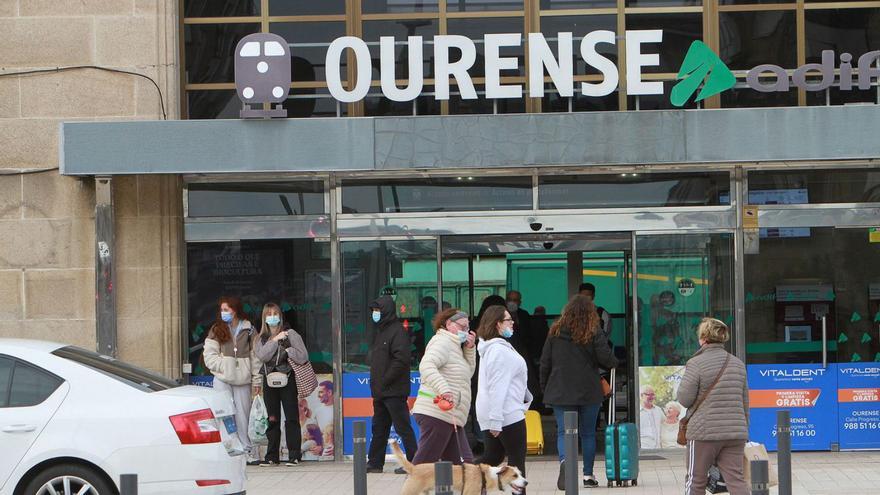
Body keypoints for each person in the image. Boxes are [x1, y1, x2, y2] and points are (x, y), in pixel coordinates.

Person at [540, 294, 618, 489]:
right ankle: (587, 475)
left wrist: (545, 388)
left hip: (560, 389)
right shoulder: (593, 331)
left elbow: (545, 362)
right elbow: (606, 359)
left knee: (563, 431)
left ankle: (566, 463)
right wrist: (616, 362)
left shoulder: (555, 331)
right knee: (588, 433)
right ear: (590, 312)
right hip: (588, 389)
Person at [676, 318, 749, 495]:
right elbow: (745, 401)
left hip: (704, 433)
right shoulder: (738, 363)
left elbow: (685, 399)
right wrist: (744, 429)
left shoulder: (696, 363)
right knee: (736, 480)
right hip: (735, 432)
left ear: (703, 338)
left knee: (696, 480)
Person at [476, 305, 532, 490]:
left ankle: (467, 481)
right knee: (516, 463)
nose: (512, 322)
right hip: (506, 414)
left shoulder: (491, 347)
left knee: (492, 457)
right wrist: (496, 420)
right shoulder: (498, 350)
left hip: (498, 412)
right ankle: (463, 478)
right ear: (498, 324)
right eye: (508, 319)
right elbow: (498, 387)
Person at [411, 309, 477, 465]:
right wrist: (444, 389)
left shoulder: (455, 347)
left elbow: (467, 374)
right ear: (448, 324)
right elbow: (426, 365)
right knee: (423, 467)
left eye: (468, 328)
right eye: (462, 327)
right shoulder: (443, 342)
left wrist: (470, 349)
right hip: (437, 414)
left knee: (464, 465)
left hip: (450, 415)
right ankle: (411, 489)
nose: (465, 331)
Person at [202, 296, 261, 464]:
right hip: (222, 378)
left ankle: (247, 450)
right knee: (225, 414)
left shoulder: (249, 329)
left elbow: (255, 356)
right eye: (221, 310)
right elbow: (209, 355)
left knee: (244, 414)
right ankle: (230, 450)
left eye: (226, 309)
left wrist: (256, 380)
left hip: (243, 378)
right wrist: (224, 365)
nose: (223, 313)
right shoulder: (216, 329)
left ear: (235, 310)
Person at [366, 295, 419, 474]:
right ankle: (374, 463)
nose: (375, 314)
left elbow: (401, 360)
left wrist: (385, 379)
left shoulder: (397, 331)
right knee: (379, 428)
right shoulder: (381, 331)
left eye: (378, 310)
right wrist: (378, 385)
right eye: (374, 310)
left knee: (403, 427)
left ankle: (414, 463)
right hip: (381, 391)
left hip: (394, 391)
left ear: (386, 311)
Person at [254, 303, 307, 466]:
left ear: (280, 316)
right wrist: (275, 340)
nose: (272, 317)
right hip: (269, 380)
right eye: (268, 314)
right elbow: (262, 356)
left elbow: (303, 356)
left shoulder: (291, 334)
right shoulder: (260, 338)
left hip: (287, 378)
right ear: (264, 317)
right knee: (272, 418)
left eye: (275, 313)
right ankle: (271, 456)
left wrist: (289, 350)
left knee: (291, 418)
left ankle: (294, 455)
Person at [314, 381, 335, 458]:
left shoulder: (340, 409)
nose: (318, 396)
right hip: (324, 453)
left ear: (329, 392)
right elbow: (316, 434)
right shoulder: (317, 412)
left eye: (321, 392)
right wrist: (319, 447)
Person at [639, 385, 664, 450]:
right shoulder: (636, 412)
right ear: (641, 396)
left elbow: (665, 425)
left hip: (658, 450)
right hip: (643, 449)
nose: (651, 397)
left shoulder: (658, 410)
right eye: (648, 395)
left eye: (653, 395)